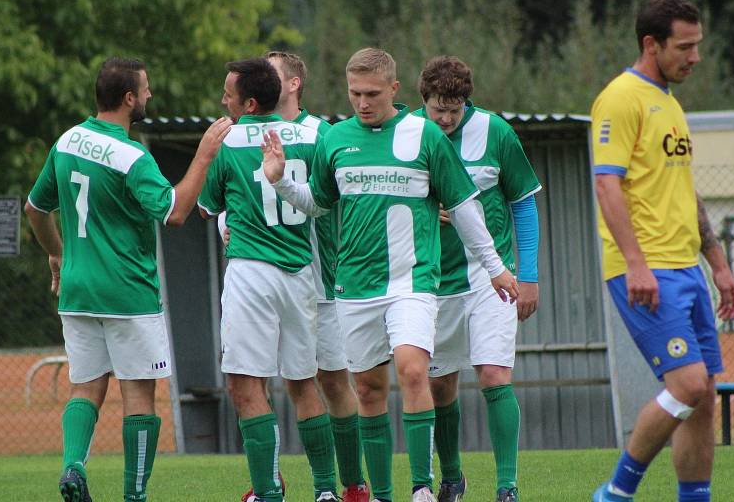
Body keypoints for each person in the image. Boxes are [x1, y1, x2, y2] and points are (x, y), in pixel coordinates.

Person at [260, 48, 519, 502]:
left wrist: (496, 267)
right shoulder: (335, 139)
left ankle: (421, 487)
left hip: (413, 282)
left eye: (372, 93)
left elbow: (463, 205)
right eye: (355, 93)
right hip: (355, 285)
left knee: (414, 369)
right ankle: (382, 493)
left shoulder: (425, 135)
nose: (363, 102)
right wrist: (281, 181)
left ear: (394, 90)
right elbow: (319, 203)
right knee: (368, 388)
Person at [24, 57, 232, 502]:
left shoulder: (66, 141)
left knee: (86, 387)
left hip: (78, 291)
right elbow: (175, 212)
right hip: (128, 293)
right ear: (129, 98)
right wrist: (204, 154)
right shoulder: (132, 156)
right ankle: (134, 495)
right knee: (139, 396)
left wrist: (57, 254)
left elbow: (34, 210)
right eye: (146, 89)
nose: (151, 96)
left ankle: (73, 466)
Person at [590, 0, 734, 502]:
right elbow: (607, 185)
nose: (695, 57)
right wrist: (636, 264)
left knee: (704, 400)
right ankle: (615, 492)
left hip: (686, 269)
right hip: (646, 268)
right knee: (688, 384)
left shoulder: (670, 104)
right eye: (686, 47)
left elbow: (684, 190)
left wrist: (718, 263)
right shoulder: (620, 98)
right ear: (651, 44)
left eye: (697, 45)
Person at [197, 58, 337, 502]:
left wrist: (229, 216)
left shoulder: (227, 142)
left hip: (251, 274)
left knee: (245, 384)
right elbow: (328, 197)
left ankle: (268, 492)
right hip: (301, 275)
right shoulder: (314, 136)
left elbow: (206, 206)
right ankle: (325, 491)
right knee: (303, 383)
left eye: (228, 94)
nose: (223, 101)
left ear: (250, 102)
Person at [413, 56, 541, 502]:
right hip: (431, 280)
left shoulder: (496, 133)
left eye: (454, 109)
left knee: (493, 374)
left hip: (491, 279)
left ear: (467, 101)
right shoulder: (408, 134)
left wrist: (530, 275)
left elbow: (523, 202)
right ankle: (452, 478)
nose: (446, 118)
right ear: (422, 101)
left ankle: (507, 487)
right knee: (439, 382)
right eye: (437, 109)